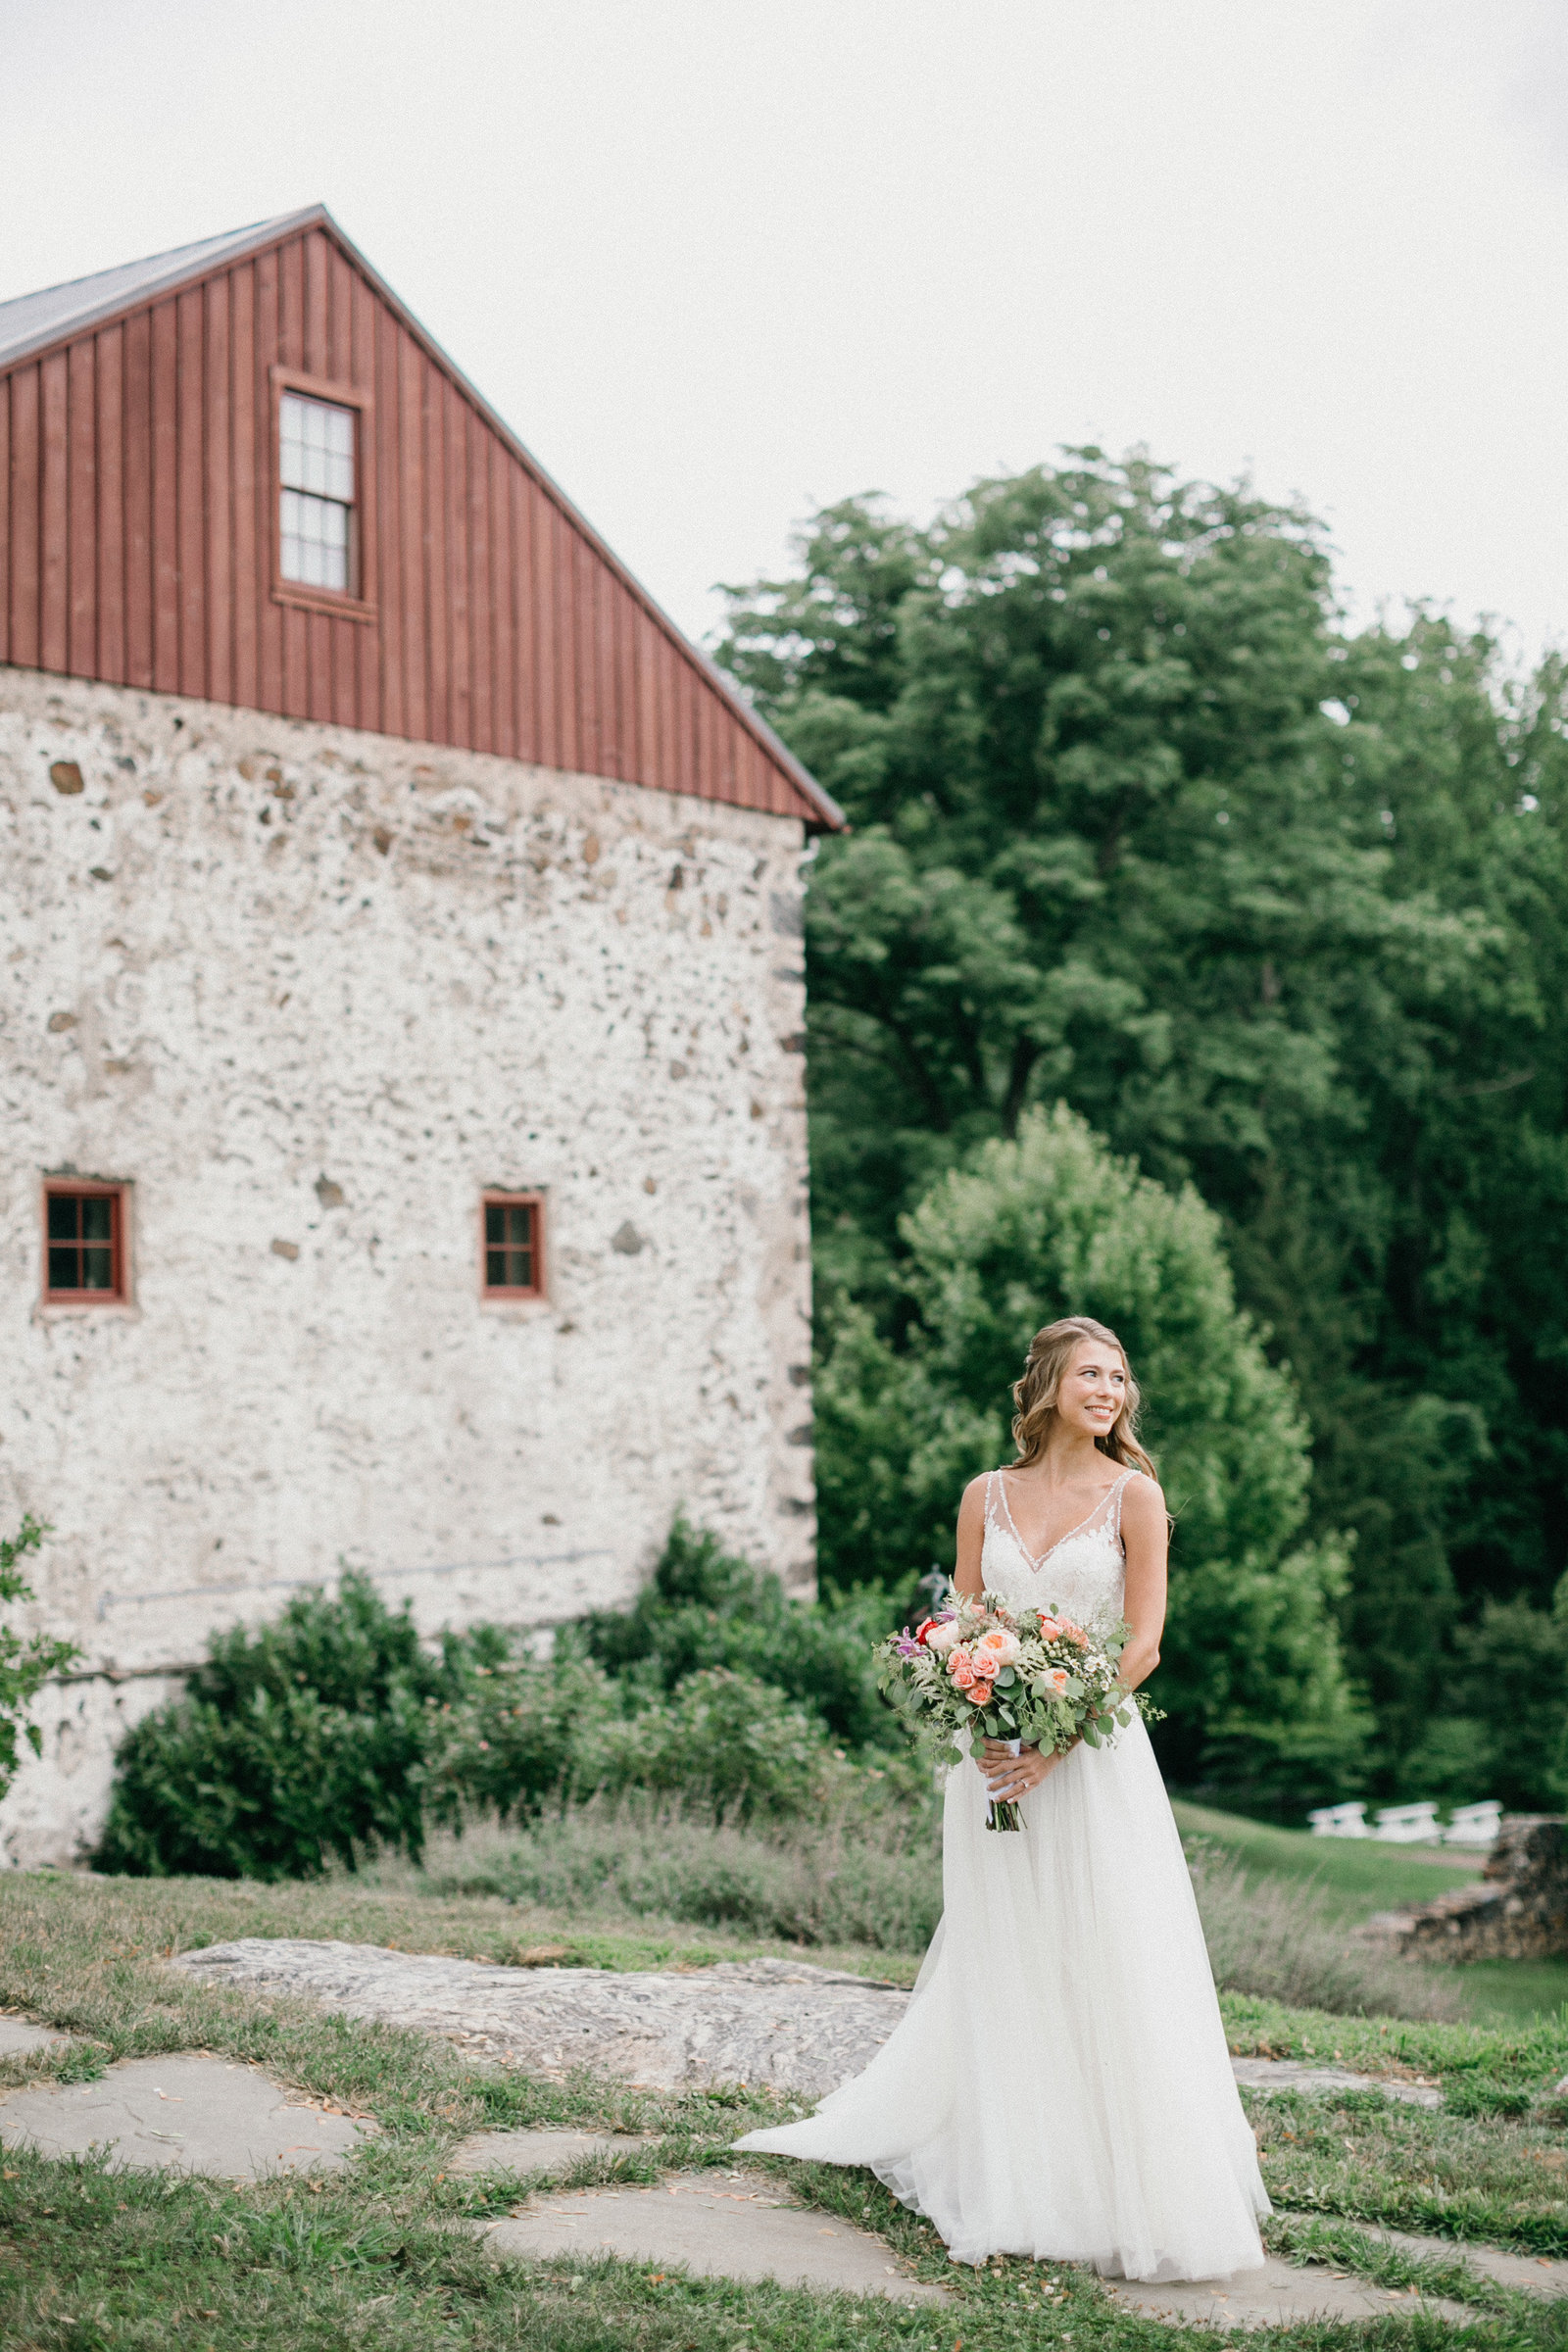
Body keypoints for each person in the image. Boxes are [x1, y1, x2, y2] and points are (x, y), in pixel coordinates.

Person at [734, 1315, 1269, 2281]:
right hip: (989, 1758)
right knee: (1007, 1952)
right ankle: (1016, 2167)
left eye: (1121, 1378)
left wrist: (1054, 1745)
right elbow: (964, 1618)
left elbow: (1142, 1643)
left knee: (1105, 1950)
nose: (1110, 1390)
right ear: (1050, 1383)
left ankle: (1120, 2180)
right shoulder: (985, 1494)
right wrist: (977, 1712)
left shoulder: (1135, 1497)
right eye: (1092, 1374)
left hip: (1093, 1758)